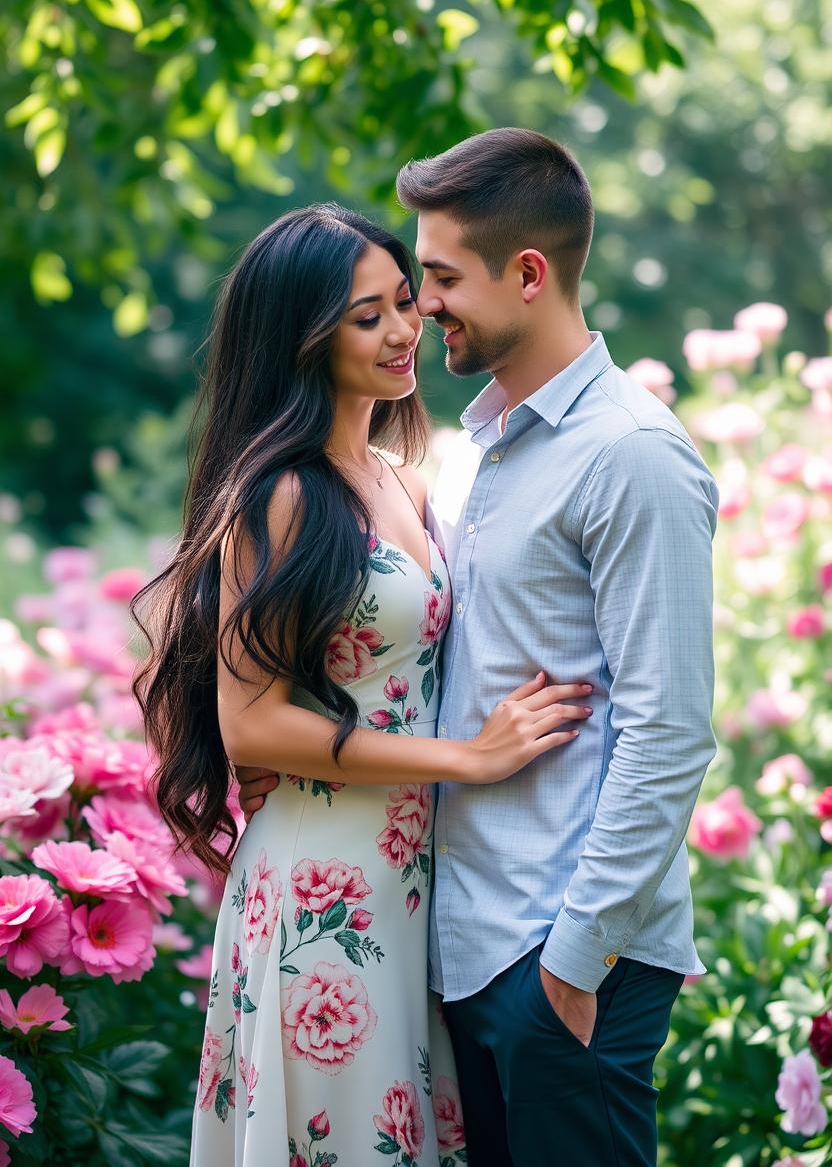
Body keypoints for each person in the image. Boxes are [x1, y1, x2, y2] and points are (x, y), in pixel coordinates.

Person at [240, 129, 719, 1167]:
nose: (423, 308)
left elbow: (670, 730)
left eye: (439, 279)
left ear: (529, 273)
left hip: (559, 953)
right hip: (465, 948)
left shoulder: (629, 456)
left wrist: (575, 961)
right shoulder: (486, 445)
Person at [133, 202, 593, 1167]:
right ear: (300, 337)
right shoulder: (281, 495)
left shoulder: (404, 481)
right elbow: (251, 724)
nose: (401, 330)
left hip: (412, 882)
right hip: (320, 884)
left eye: (403, 303)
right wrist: (467, 758)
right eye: (365, 316)